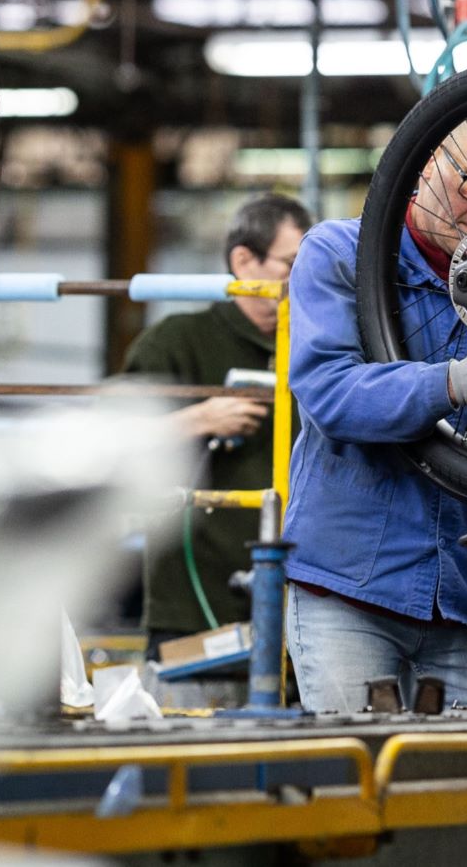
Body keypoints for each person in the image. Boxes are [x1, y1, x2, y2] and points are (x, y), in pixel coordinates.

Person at [284, 106, 467, 713]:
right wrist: (453, 382)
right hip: (350, 594)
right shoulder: (341, 254)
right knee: (357, 788)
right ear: (427, 164)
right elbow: (330, 394)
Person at [122, 193, 311, 658]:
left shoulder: (321, 348)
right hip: (192, 601)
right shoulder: (177, 343)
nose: (302, 280)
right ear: (244, 261)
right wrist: (198, 417)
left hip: (304, 603)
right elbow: (110, 444)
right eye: (290, 264)